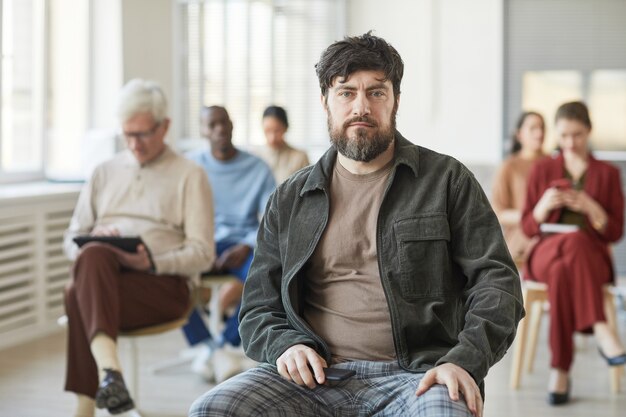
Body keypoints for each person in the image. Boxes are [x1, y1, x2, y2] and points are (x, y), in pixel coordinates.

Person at [190, 32, 524, 417]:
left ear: (395, 100)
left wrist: (464, 360)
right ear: (325, 103)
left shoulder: (447, 180)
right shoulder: (290, 198)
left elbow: (498, 283)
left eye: (376, 93)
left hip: (419, 375)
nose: (360, 107)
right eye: (346, 92)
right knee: (213, 409)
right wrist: (284, 345)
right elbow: (257, 307)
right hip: (313, 378)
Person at [63, 79, 215, 417]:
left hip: (163, 287)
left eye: (143, 134)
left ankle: (86, 404)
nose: (135, 144)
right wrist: (97, 239)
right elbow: (71, 239)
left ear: (165, 126)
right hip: (106, 280)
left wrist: (150, 262)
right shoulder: (104, 172)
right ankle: (111, 376)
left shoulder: (190, 174)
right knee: (93, 254)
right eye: (127, 135)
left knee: (76, 293)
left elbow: (203, 253)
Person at [521, 101, 625, 405]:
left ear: (589, 131)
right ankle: (600, 327)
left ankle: (560, 372)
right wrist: (543, 207)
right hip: (545, 250)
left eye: (577, 135)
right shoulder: (542, 169)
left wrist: (592, 207)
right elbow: (529, 227)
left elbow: (616, 231)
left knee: (567, 262)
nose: (570, 143)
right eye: (564, 135)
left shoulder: (608, 173)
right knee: (569, 247)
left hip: (588, 257)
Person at [184, 105, 276, 383]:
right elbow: (177, 215)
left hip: (242, 244)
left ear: (233, 126)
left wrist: (248, 244)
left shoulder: (257, 167)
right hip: (202, 243)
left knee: (267, 278)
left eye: (224, 123)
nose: (219, 129)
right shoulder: (190, 167)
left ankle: (223, 343)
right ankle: (206, 345)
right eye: (212, 125)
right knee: (170, 276)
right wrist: (200, 244)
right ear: (203, 130)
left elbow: (273, 216)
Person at [492, 111, 546, 263]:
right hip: (520, 237)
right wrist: (534, 217)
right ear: (519, 134)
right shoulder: (509, 167)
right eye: (533, 128)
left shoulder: (553, 164)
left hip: (551, 232)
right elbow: (499, 213)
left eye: (542, 128)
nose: (539, 133)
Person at [256, 105, 310, 183]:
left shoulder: (299, 157)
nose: (272, 138)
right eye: (267, 130)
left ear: (286, 128)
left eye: (277, 131)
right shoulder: (256, 156)